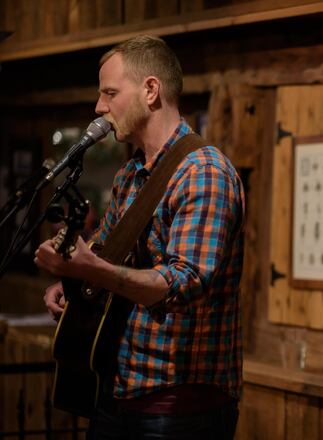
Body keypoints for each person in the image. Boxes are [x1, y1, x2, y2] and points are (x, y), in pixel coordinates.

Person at [34, 35, 244, 439]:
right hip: (116, 388)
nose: (99, 106)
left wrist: (92, 268)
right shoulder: (131, 174)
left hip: (178, 405)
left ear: (151, 90)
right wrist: (71, 279)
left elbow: (182, 285)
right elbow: (107, 251)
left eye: (110, 92)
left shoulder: (204, 172)